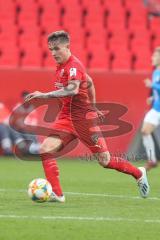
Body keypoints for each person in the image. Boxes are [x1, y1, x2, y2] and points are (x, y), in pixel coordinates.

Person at [25, 30, 150, 202]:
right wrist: (93, 104)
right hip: (66, 119)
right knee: (46, 149)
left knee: (105, 161)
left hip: (84, 121)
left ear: (67, 47)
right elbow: (89, 82)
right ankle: (57, 193)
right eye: (50, 49)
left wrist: (44, 95)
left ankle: (138, 173)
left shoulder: (74, 66)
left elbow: (73, 89)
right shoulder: (61, 66)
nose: (53, 53)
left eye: (56, 49)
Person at [141, 47, 160, 170]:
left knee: (146, 131)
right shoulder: (155, 72)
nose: (152, 58)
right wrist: (152, 98)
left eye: (154, 56)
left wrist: (152, 85)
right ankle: (152, 160)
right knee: (145, 131)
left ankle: (152, 160)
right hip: (156, 108)